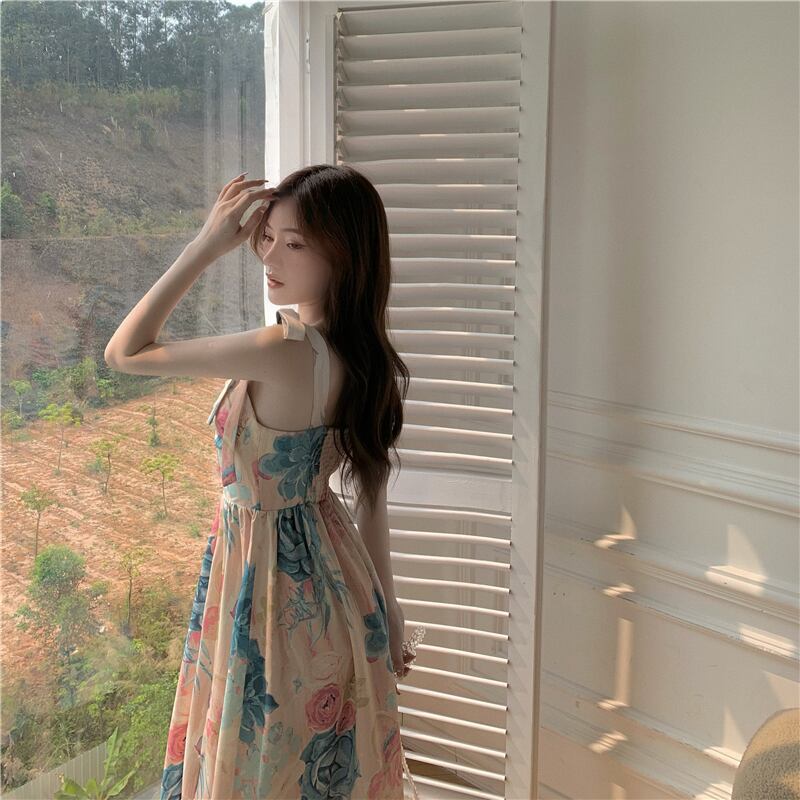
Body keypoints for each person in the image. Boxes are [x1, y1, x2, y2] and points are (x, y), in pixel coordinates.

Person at [104, 165, 423, 799]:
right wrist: (388, 612)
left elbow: (124, 353)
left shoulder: (286, 348)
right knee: (307, 770)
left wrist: (205, 245)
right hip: (335, 587)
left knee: (259, 765)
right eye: (267, 237)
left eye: (295, 243)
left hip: (270, 593)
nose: (269, 257)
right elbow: (371, 504)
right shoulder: (364, 356)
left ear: (344, 254)